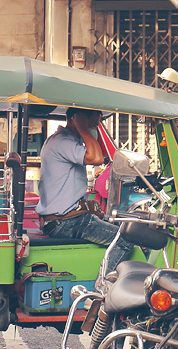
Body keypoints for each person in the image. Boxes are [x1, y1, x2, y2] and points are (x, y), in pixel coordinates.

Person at [36, 107, 134, 276]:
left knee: (119, 226)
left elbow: (101, 155)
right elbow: (95, 158)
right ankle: (100, 292)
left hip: (65, 219)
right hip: (65, 222)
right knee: (125, 239)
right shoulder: (63, 142)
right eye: (96, 114)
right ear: (77, 117)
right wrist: (82, 126)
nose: (99, 118)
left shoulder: (66, 141)